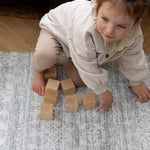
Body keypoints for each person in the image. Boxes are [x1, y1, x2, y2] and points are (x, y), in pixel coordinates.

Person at [32, 0, 150, 111]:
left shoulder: (134, 35)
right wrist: (102, 91)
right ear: (97, 8)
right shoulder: (85, 29)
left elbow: (134, 57)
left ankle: (75, 57)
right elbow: (87, 65)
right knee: (45, 56)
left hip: (79, 45)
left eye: (121, 26)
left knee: (79, 80)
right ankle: (39, 71)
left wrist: (136, 82)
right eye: (104, 19)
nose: (109, 30)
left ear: (135, 23)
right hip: (57, 30)